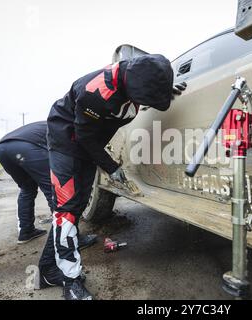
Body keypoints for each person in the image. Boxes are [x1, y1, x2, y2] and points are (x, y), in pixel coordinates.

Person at [38, 54, 186, 300]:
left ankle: (48, 270)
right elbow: (85, 137)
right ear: (129, 85)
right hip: (67, 141)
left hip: (89, 144)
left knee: (76, 205)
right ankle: (70, 281)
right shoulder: (94, 93)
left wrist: (161, 91)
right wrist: (112, 167)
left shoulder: (139, 75)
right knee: (66, 210)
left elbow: (142, 90)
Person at [0, 122, 98, 249]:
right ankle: (69, 239)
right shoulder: (67, 126)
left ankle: (26, 231)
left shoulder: (52, 122)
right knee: (55, 192)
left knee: (27, 189)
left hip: (2, 149)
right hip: (27, 148)